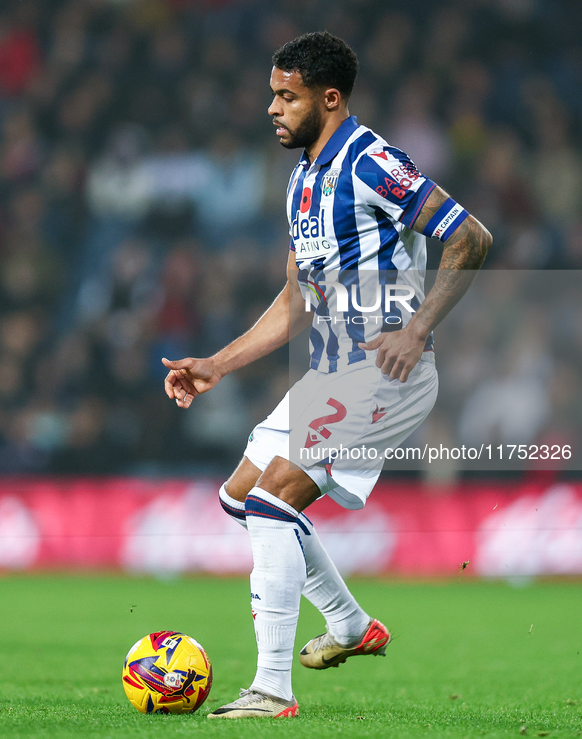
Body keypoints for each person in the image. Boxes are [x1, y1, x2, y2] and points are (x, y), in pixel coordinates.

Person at [162, 31, 492, 719]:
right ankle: (349, 625)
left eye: (286, 96)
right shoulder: (302, 180)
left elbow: (469, 236)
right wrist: (215, 364)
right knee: (240, 497)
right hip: (329, 374)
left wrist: (417, 326)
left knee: (272, 505)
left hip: (381, 370)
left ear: (329, 97)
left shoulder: (371, 162)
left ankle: (272, 690)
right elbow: (294, 300)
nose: (271, 108)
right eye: (272, 95)